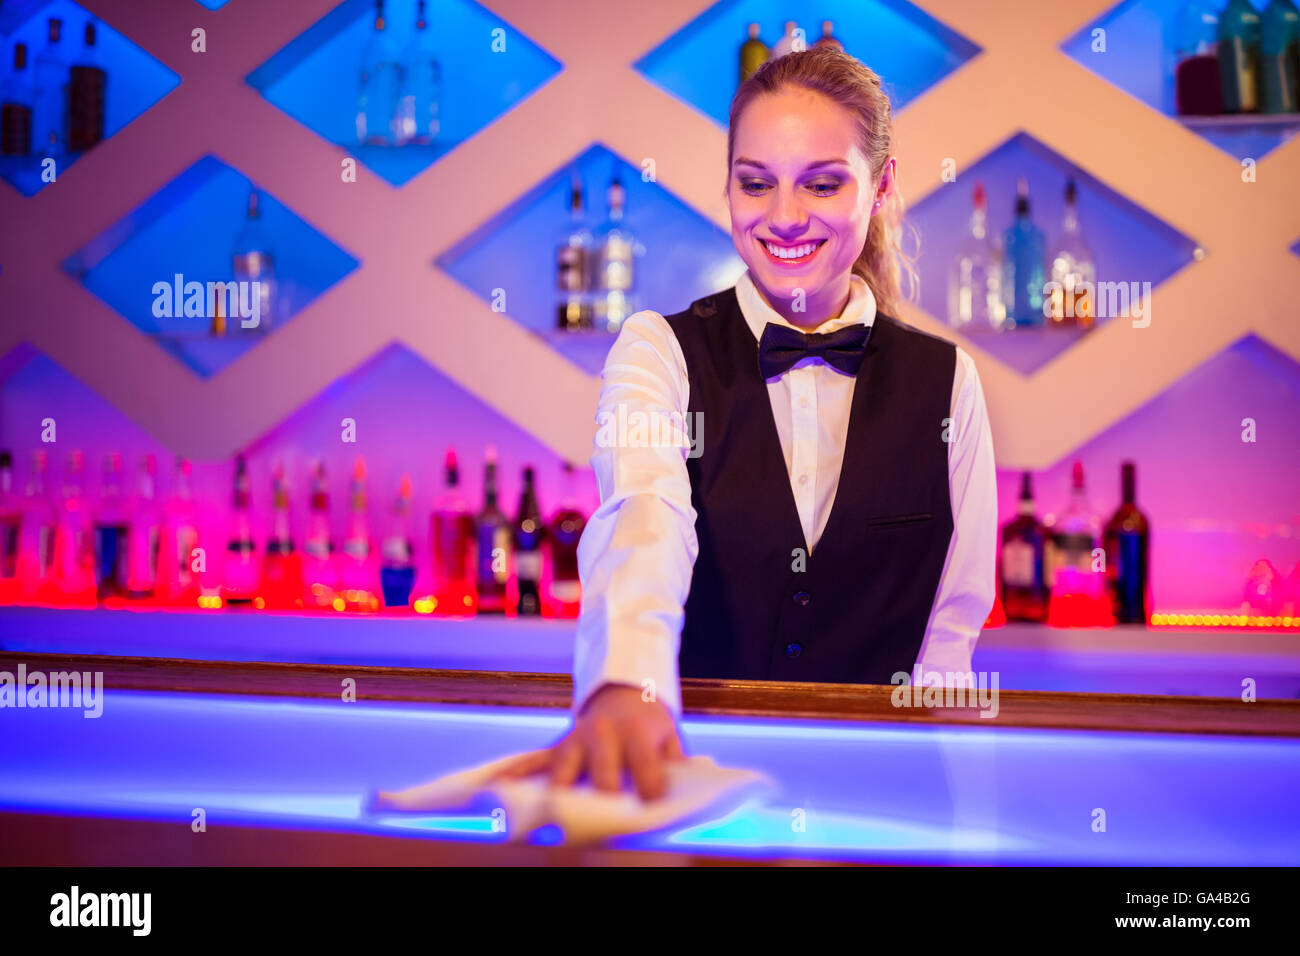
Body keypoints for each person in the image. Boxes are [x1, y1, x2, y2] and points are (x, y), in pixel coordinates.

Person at [499, 46, 997, 800]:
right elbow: (644, 516)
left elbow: (947, 644)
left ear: (882, 185)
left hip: (885, 805)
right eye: (756, 183)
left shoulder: (948, 383)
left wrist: (950, 814)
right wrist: (627, 686)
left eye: (823, 183)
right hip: (696, 791)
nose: (785, 217)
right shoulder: (657, 351)